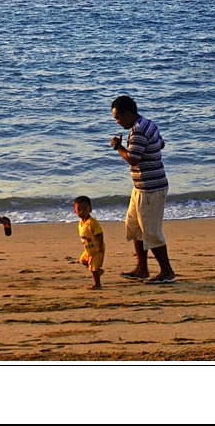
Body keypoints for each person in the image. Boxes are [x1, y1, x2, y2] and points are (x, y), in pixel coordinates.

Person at [109, 95, 176, 284]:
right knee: (135, 227)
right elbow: (161, 143)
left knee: (151, 232)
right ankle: (142, 268)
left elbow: (133, 159)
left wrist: (118, 146)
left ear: (128, 114)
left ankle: (167, 272)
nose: (117, 122)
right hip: (141, 187)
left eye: (118, 118)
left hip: (150, 189)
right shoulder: (149, 124)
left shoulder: (138, 131)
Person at [74, 195, 105, 290]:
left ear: (90, 209)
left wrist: (99, 246)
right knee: (83, 260)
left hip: (96, 249)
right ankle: (98, 271)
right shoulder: (81, 223)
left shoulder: (92, 222)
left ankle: (97, 284)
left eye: (84, 209)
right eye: (79, 210)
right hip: (88, 250)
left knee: (93, 267)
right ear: (75, 211)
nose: (82, 212)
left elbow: (99, 234)